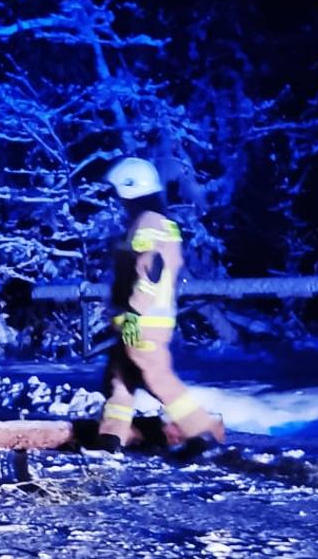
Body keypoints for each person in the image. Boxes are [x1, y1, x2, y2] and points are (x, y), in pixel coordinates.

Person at [91, 158, 224, 458]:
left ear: (129, 190)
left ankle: (201, 434)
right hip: (142, 320)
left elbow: (151, 268)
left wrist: (134, 313)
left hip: (143, 320)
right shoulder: (157, 222)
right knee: (120, 380)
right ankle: (110, 441)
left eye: (116, 193)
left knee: (157, 378)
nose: (115, 201)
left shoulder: (148, 223)